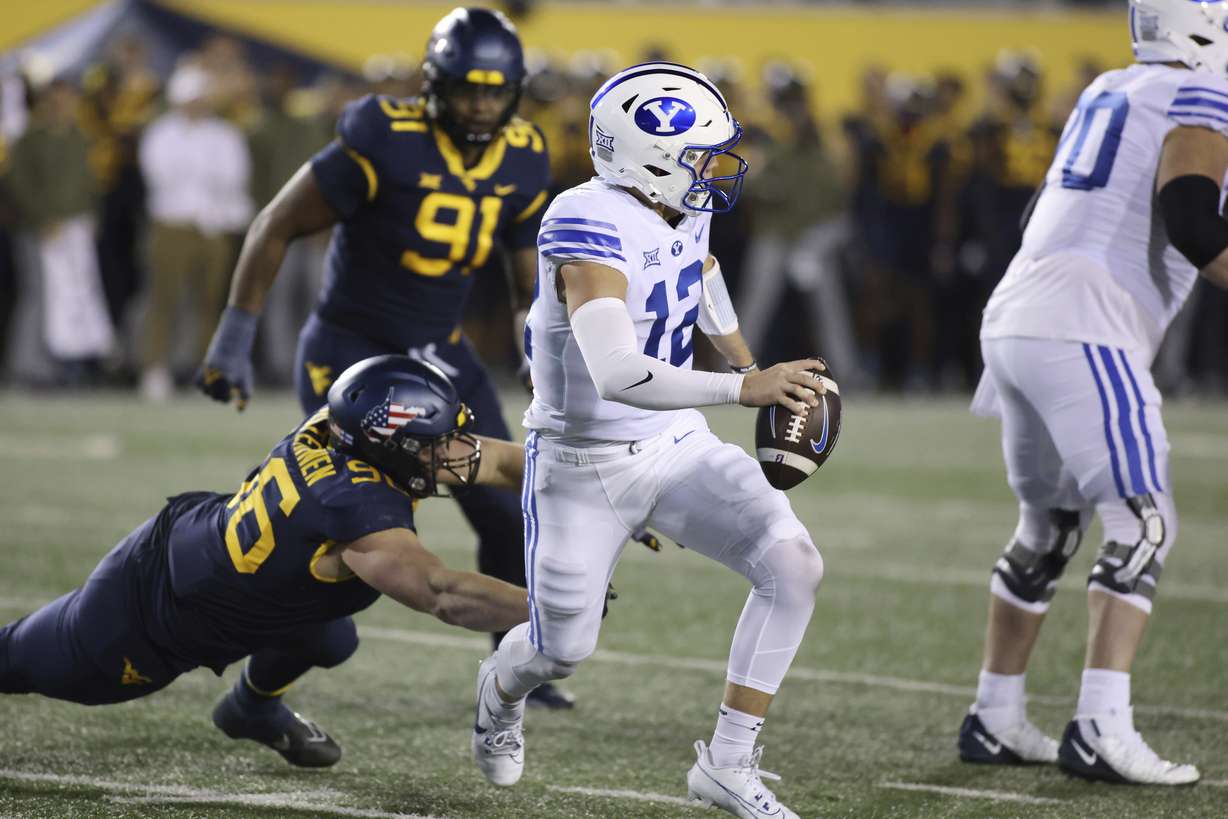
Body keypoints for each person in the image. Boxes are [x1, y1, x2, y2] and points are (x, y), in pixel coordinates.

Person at [469, 62, 827, 819]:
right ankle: (499, 691)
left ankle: (727, 764)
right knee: (561, 650)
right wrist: (743, 390)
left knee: (792, 564)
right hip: (580, 463)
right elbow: (617, 373)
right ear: (650, 159)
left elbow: (701, 272)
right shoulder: (585, 220)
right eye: (700, 154)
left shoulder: (678, 202)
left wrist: (747, 363)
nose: (714, 168)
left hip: (671, 441)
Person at [193, 7, 572, 709]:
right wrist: (235, 334)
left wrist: (536, 350)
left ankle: (515, 665)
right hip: (352, 358)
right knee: (353, 533)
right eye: (468, 89)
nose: (481, 105)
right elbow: (277, 223)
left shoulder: (524, 152)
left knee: (506, 511)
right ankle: (257, 692)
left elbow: (527, 266)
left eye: (495, 91)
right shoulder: (385, 138)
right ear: (436, 85)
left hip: (439, 356)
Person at [0, 355, 530, 768]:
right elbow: (443, 594)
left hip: (213, 558)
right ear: (389, 446)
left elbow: (504, 464)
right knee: (17, 661)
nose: (453, 451)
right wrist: (551, 610)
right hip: (148, 615)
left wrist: (578, 482)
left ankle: (250, 709)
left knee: (331, 637)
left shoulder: (344, 431)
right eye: (434, 444)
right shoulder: (353, 506)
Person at [957, 0, 1228, 786]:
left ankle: (995, 714)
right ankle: (1102, 724)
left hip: (1018, 316)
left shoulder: (1109, 87)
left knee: (1049, 526)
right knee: (1145, 521)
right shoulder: (1198, 92)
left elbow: (1040, 208)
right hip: (1085, 324)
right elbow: (1192, 220)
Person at [139, 62, 252, 401]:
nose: (197, 104)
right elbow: (162, 176)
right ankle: (155, 368)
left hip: (214, 229)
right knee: (164, 300)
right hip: (173, 225)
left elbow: (234, 177)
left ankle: (206, 371)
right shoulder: (161, 133)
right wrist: (204, 177)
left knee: (210, 302)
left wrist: (199, 176)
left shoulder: (225, 134)